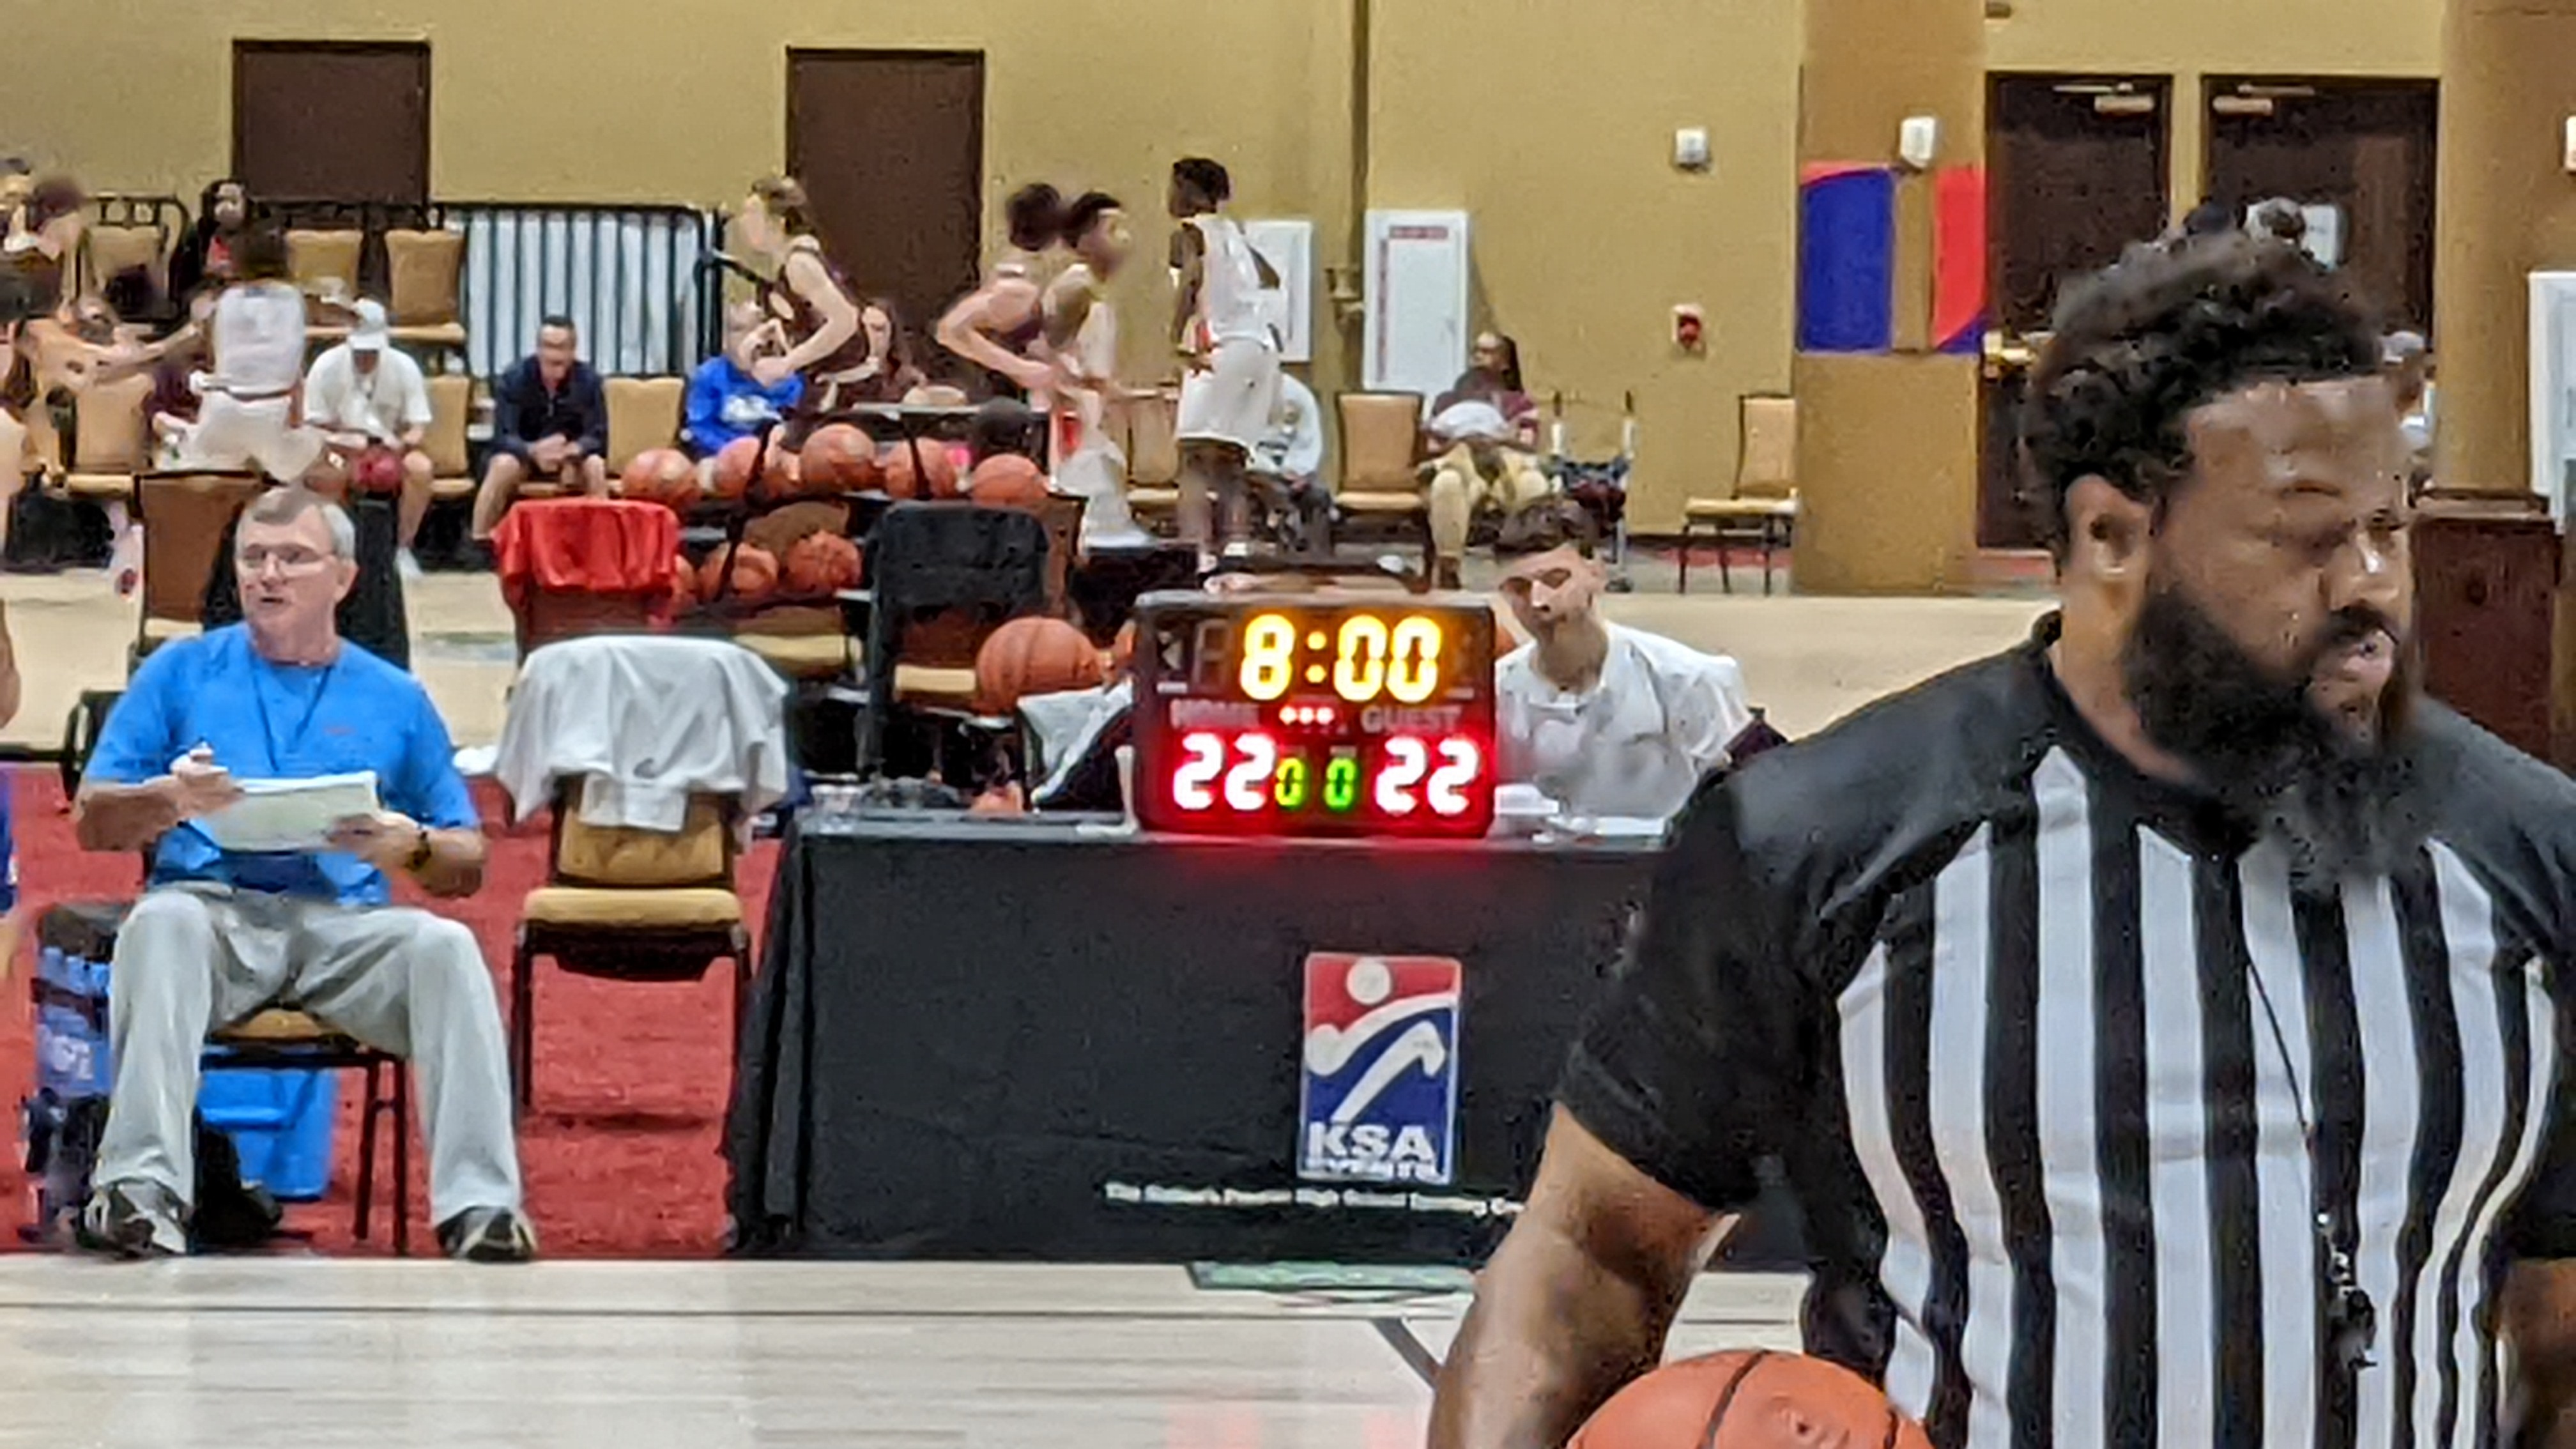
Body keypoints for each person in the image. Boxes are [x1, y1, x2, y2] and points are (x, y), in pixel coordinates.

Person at [1429, 233, 2576, 1449]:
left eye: (2390, 525)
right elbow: (1590, 1262)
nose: (2371, 584)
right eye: (2305, 534)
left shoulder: (2527, 855)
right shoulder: (1826, 845)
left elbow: (2561, 1343)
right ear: (2111, 536)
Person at [72, 487, 532, 1262]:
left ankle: (481, 1206)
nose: (269, 575)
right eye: (253, 558)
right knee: (160, 922)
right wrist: (168, 799)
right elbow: (92, 821)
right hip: (215, 918)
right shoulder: (180, 671)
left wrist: (412, 845)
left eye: (293, 558)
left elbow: (467, 861)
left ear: (343, 578)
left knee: (446, 948)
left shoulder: (395, 696)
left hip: (344, 928)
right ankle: (139, 1192)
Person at [1490, 501, 1749, 825]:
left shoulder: (1688, 679)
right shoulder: (1495, 692)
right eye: (1518, 588)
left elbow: (1751, 793)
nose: (1538, 602)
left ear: (1597, 573)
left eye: (1556, 579)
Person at [1169, 157, 1281, 562]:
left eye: (1174, 186)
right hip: (1262, 348)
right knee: (1231, 460)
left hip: (1225, 344)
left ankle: (1196, 552)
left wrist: (1174, 337)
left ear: (1192, 191)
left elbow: (1191, 279)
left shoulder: (1190, 231)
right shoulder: (1235, 233)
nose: (1170, 195)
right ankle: (1237, 545)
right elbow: (1272, 278)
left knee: (1193, 458)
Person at [171, 224, 325, 487]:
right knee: (318, 461)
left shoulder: (223, 302)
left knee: (208, 484)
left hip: (222, 409)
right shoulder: (296, 299)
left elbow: (212, 357)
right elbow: (295, 367)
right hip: (273, 411)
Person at [1041, 192, 1149, 546]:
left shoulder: (1094, 289)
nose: (1124, 239)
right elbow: (1045, 348)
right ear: (1085, 239)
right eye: (1113, 229)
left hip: (1090, 412)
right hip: (1071, 416)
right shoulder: (1077, 285)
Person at [303, 300, 435, 577]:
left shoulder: (404, 366)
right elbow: (311, 424)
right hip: (338, 446)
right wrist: (341, 441)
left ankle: (402, 548)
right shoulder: (326, 366)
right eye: (360, 352)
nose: (365, 358)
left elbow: (418, 426)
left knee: (421, 469)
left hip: (390, 446)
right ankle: (336, 549)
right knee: (325, 472)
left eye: (372, 352)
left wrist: (401, 444)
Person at [736, 176, 868, 441]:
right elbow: (810, 320)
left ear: (780, 223)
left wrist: (787, 363)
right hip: (820, 387)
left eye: (753, 215)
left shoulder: (800, 264)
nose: (743, 222)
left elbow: (845, 319)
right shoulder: (791, 264)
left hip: (843, 391)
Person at [470, 315, 608, 539]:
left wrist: (574, 450)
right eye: (548, 347)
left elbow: (598, 434)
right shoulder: (514, 378)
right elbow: (503, 436)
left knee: (596, 466)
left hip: (570, 458)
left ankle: (603, 541)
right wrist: (533, 450)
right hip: (524, 456)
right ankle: (480, 539)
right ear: (538, 349)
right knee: (503, 465)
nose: (554, 355)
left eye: (561, 348)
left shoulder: (589, 381)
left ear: (572, 351)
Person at [935, 182, 1066, 402]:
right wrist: (1022, 369)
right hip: (1018, 404)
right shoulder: (1018, 283)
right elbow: (951, 329)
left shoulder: (1040, 276)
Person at [682, 299, 804, 460]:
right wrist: (735, 453)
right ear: (725, 339)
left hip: (772, 459)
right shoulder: (709, 374)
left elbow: (798, 427)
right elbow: (700, 428)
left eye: (756, 329)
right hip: (720, 457)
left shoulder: (789, 378)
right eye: (738, 330)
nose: (748, 339)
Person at [1250, 369, 1330, 553]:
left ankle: (1315, 559)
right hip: (1251, 468)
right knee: (1271, 491)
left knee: (1317, 496)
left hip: (1290, 471)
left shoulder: (1298, 395)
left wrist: (1297, 470)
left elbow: (1309, 440)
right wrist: (1266, 471)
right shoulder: (1232, 394)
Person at [168, 178, 252, 306]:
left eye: (233, 201)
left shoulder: (258, 233)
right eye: (221, 201)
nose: (228, 208)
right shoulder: (198, 235)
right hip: (208, 293)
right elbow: (182, 283)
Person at [848, 297, 930, 405]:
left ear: (892, 336)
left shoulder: (910, 380)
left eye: (878, 329)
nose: (870, 337)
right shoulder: (842, 378)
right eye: (863, 329)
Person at [2386, 328, 2435, 476]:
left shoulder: (2434, 399)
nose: (2393, 374)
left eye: (2400, 367)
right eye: (2389, 367)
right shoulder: (2383, 397)